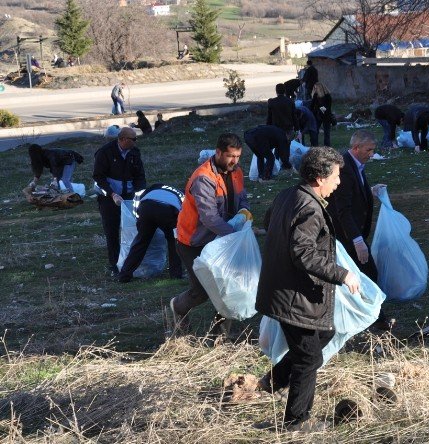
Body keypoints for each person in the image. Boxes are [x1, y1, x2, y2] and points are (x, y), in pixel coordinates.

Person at [255, 146, 360, 433]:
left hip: (284, 288)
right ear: (319, 178)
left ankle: (271, 382)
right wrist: (342, 274)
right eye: (336, 176)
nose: (338, 182)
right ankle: (296, 422)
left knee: (324, 332)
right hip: (292, 294)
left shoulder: (288, 195)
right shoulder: (310, 207)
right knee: (308, 357)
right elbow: (304, 253)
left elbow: (269, 222)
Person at [170, 133, 253, 335]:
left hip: (222, 239)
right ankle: (177, 308)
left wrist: (244, 212)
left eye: (238, 156)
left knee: (228, 289)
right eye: (230, 156)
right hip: (194, 242)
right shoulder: (203, 178)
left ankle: (218, 336)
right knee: (201, 291)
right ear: (218, 152)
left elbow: (242, 198)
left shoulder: (236, 171)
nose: (234, 161)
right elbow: (210, 218)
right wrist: (234, 235)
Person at [326, 129, 393, 331]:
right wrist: (356, 240)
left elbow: (352, 194)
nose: (372, 154)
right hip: (346, 234)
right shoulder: (345, 168)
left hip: (353, 233)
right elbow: (342, 209)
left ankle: (361, 314)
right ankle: (375, 318)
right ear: (356, 148)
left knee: (358, 273)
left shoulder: (356, 165)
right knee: (368, 272)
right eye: (369, 150)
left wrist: (369, 191)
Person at [93, 127, 146, 275]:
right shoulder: (105, 152)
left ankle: (130, 261)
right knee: (112, 230)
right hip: (109, 198)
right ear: (122, 139)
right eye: (133, 139)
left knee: (131, 228)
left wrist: (140, 195)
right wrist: (112, 194)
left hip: (129, 197)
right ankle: (115, 264)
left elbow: (139, 176)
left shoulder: (134, 153)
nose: (135, 142)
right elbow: (98, 177)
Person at [118, 184, 184, 283]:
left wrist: (138, 220)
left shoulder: (157, 186)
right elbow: (183, 215)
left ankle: (124, 275)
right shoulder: (182, 196)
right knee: (173, 242)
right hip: (167, 211)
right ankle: (176, 275)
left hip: (146, 207)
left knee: (141, 242)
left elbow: (137, 198)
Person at [310, 82, 333, 146]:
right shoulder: (316, 96)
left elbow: (327, 108)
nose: (314, 90)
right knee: (316, 132)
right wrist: (314, 98)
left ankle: (326, 147)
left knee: (326, 133)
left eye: (315, 88)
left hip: (325, 116)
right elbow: (311, 107)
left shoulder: (327, 96)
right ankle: (316, 146)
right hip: (318, 116)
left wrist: (320, 106)